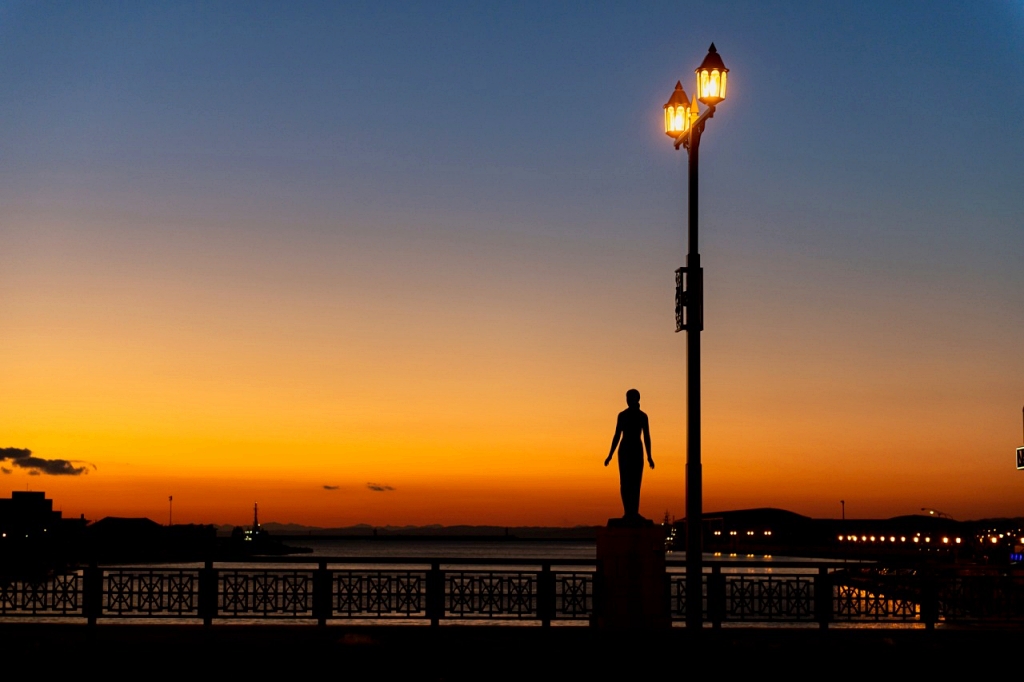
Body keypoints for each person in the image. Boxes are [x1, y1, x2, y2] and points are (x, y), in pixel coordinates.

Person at [604, 389, 653, 519]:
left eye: (630, 397)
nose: (628, 400)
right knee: (625, 482)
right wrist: (610, 455)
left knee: (636, 482)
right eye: (627, 397)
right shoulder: (622, 415)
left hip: (637, 449)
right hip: (625, 449)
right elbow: (617, 435)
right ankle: (627, 512)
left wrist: (649, 456)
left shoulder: (643, 416)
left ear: (636, 399)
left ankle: (634, 512)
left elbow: (647, 436)